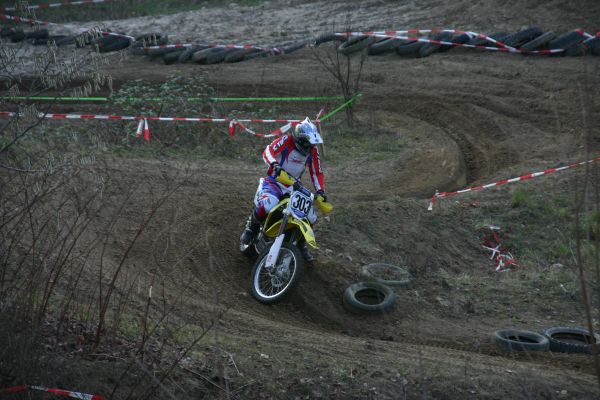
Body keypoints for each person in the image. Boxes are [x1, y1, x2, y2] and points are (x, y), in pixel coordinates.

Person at [240, 117, 327, 262]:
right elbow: (268, 151)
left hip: (294, 186)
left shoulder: (312, 151)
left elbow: (317, 172)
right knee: (269, 204)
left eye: (311, 144)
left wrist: (320, 191)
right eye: (307, 143)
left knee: (310, 216)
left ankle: (301, 244)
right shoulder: (287, 140)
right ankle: (251, 227)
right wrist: (274, 164)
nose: (309, 147)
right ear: (300, 139)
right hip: (274, 181)